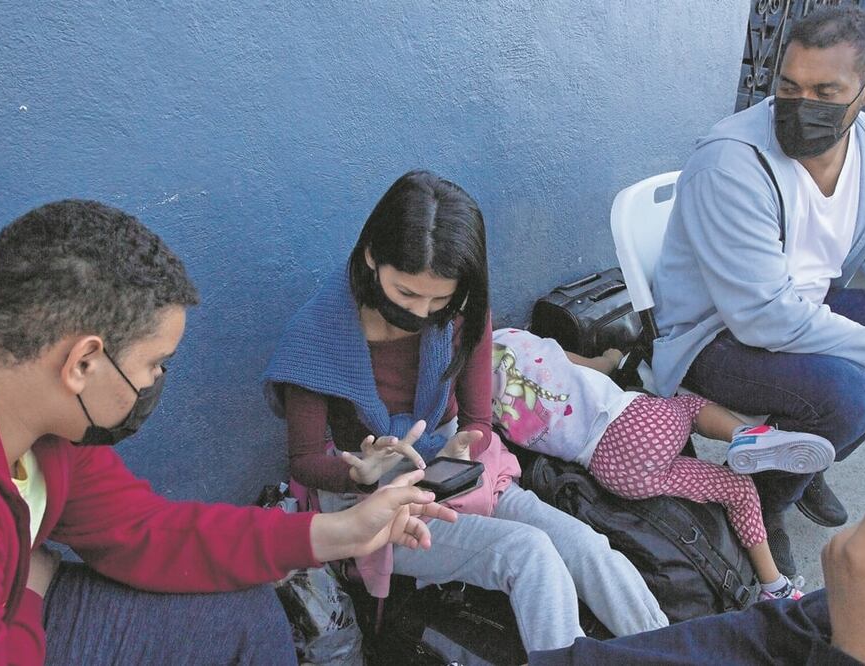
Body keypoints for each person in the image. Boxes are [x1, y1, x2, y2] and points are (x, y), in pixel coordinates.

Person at [0, 199, 460, 665]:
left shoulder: (39, 419)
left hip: (15, 594)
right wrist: (29, 592)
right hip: (2, 625)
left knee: (246, 617)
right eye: (154, 364)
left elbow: (143, 531)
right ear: (82, 363)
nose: (155, 381)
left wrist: (340, 531)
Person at [262, 170, 668, 652]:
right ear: (371, 256)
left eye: (439, 299)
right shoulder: (315, 338)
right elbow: (304, 462)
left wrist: (464, 449)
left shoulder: (462, 312)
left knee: (588, 547)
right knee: (528, 554)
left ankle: (678, 651)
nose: (422, 313)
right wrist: (360, 473)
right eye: (406, 293)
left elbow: (476, 422)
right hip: (371, 504)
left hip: (458, 474)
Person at [650, 5, 865, 582]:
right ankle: (759, 500)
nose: (801, 105)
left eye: (826, 91)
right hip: (714, 336)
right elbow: (762, 317)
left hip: (803, 312)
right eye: (789, 87)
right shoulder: (730, 163)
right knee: (853, 394)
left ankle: (803, 459)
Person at [531, 304, 865, 665]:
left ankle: (757, 447)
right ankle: (752, 457)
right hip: (639, 422)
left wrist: (858, 651)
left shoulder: (512, 366)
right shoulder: (538, 352)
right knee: (729, 473)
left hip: (608, 463)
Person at [491, 328, 835, 600]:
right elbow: (598, 366)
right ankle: (746, 436)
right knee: (692, 412)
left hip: (614, 472)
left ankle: (775, 589)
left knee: (726, 485)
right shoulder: (512, 339)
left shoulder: (477, 396)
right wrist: (612, 356)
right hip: (638, 425)